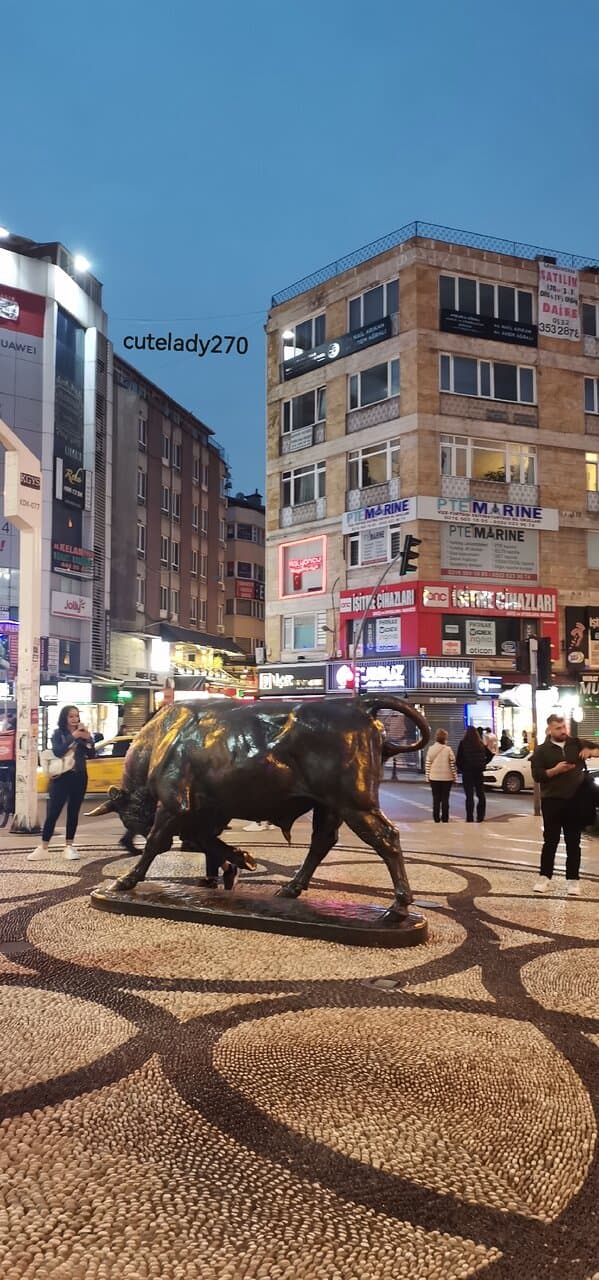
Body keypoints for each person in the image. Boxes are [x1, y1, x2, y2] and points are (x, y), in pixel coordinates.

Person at [531, 713, 599, 896]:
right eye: (558, 728)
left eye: (564, 727)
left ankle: (573, 880)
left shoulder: (576, 743)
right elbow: (537, 775)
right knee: (550, 841)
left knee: (573, 842)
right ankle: (544, 877)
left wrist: (591, 752)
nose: (563, 731)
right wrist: (555, 770)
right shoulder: (541, 750)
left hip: (575, 801)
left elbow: (598, 749)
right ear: (549, 729)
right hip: (552, 801)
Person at [28, 705, 95, 861]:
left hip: (79, 777)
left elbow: (92, 755)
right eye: (71, 716)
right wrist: (74, 736)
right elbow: (58, 751)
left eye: (76, 716)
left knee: (73, 812)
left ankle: (69, 846)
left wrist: (88, 739)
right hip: (61, 778)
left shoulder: (83, 735)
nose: (75, 719)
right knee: (53, 812)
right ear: (64, 718)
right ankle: (44, 846)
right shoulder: (59, 734)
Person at [456, 726, 492, 823]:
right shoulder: (480, 744)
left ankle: (469, 817)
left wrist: (462, 768)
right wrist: (483, 763)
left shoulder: (463, 744)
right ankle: (480, 816)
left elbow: (458, 759)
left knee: (469, 796)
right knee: (481, 794)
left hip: (467, 773)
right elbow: (490, 755)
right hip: (478, 772)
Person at [425, 728, 457, 823]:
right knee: (445, 798)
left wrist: (427, 777)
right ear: (445, 738)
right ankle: (445, 818)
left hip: (434, 777)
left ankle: (436, 818)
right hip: (447, 778)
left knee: (436, 798)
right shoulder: (448, 750)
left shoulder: (431, 749)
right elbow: (452, 764)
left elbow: (428, 764)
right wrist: (455, 777)